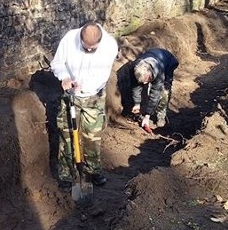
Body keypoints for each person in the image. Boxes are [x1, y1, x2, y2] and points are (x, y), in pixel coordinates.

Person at [50, 21, 119, 190]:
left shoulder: (110, 46)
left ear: (100, 41)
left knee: (92, 136)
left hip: (93, 96)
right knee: (66, 135)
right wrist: (65, 77)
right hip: (69, 95)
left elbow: (101, 77)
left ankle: (92, 171)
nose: (88, 50)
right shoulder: (69, 39)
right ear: (80, 36)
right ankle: (66, 174)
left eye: (92, 48)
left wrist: (83, 87)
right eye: (85, 46)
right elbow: (57, 63)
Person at [117, 48, 179, 132]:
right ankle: (145, 108)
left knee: (164, 91)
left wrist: (147, 115)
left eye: (147, 80)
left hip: (169, 62)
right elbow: (136, 87)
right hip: (152, 56)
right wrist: (137, 104)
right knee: (142, 86)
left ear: (151, 74)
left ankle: (161, 115)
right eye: (143, 81)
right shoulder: (137, 68)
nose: (145, 83)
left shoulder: (159, 72)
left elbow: (155, 94)